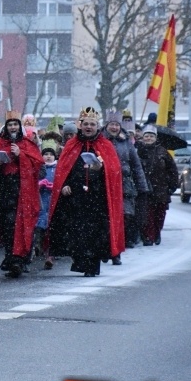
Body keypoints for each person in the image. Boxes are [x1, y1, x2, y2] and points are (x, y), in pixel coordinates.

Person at [48, 107, 124, 277]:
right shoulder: (71, 145)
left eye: (92, 124)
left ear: (98, 127)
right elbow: (63, 169)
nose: (89, 127)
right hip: (76, 197)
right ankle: (81, 261)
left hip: (98, 197)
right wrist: (65, 184)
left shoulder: (106, 145)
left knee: (95, 232)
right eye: (86, 124)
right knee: (77, 231)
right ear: (80, 125)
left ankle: (92, 265)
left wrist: (101, 168)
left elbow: (114, 170)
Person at [0, 111, 43, 278]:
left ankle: (19, 258)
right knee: (7, 226)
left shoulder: (27, 144)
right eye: (10, 125)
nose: (13, 127)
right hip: (3, 191)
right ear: (6, 127)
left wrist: (20, 155)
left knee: (21, 225)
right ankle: (11, 257)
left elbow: (37, 165)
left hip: (21, 191)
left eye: (15, 124)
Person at [102, 110, 149, 256]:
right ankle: (108, 246)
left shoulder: (126, 141)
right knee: (107, 217)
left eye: (117, 125)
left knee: (125, 215)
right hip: (105, 183)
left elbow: (136, 165)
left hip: (125, 184)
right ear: (107, 125)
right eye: (112, 125)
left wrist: (142, 186)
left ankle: (118, 246)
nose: (114, 128)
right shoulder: (101, 140)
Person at [136, 125, 178, 246]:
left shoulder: (162, 151)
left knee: (159, 214)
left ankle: (157, 232)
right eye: (146, 136)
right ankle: (148, 236)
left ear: (155, 138)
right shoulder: (138, 150)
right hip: (145, 189)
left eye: (151, 136)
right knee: (147, 214)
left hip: (161, 189)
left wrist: (172, 185)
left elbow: (173, 170)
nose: (149, 138)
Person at [35, 144, 57, 269]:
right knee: (38, 225)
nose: (48, 157)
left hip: (52, 201)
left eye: (51, 155)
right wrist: (40, 184)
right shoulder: (39, 167)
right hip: (40, 200)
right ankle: (37, 247)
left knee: (51, 227)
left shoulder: (57, 168)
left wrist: (54, 186)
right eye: (46, 154)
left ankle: (50, 254)